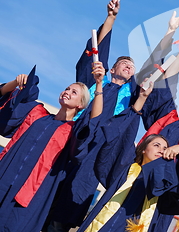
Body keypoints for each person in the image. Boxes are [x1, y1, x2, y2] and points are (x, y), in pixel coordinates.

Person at [48, 0, 179, 231]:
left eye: (132, 66)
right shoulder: (96, 82)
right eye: (124, 63)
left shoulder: (134, 95)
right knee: (46, 192)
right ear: (112, 68)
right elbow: (97, 49)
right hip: (74, 143)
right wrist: (111, 17)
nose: (129, 66)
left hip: (103, 151)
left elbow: (156, 70)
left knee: (70, 207)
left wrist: (170, 33)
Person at [0, 62, 105, 232]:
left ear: (81, 104)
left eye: (74, 92)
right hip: (4, 176)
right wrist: (15, 82)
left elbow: (94, 122)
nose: (67, 92)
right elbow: (7, 103)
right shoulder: (36, 113)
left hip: (31, 193)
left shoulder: (73, 131)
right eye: (67, 88)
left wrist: (99, 84)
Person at [77, 131, 179, 232]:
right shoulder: (124, 169)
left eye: (165, 148)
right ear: (143, 149)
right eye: (156, 145)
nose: (161, 150)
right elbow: (113, 144)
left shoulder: (167, 183)